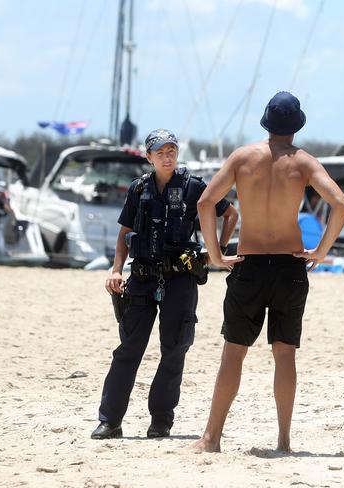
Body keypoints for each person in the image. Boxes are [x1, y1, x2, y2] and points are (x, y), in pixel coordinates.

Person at [192, 91, 344, 453]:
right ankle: (283, 440)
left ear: (265, 122)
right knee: (285, 353)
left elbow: (205, 203)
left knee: (233, 352)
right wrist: (321, 251)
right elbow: (340, 204)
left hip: (249, 263)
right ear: (297, 126)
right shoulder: (304, 163)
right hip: (290, 264)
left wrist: (215, 254)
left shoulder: (243, 157)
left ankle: (211, 439)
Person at [91, 129, 238, 440]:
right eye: (160, 152)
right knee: (128, 349)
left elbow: (230, 214)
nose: (167, 156)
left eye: (171, 151)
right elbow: (125, 233)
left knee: (174, 349)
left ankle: (161, 420)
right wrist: (116, 270)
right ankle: (110, 421)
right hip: (142, 277)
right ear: (149, 157)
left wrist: (217, 251)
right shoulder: (138, 189)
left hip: (180, 279)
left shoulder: (193, 186)